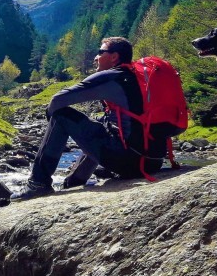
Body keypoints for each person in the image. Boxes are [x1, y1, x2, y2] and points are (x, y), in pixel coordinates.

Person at [12, 36, 176, 201]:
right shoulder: (136, 79)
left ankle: (38, 184)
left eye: (100, 52)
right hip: (154, 162)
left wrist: (53, 123)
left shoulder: (110, 77)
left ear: (114, 57)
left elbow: (57, 100)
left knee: (61, 115)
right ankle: (75, 181)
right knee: (100, 124)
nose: (96, 57)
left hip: (129, 163)